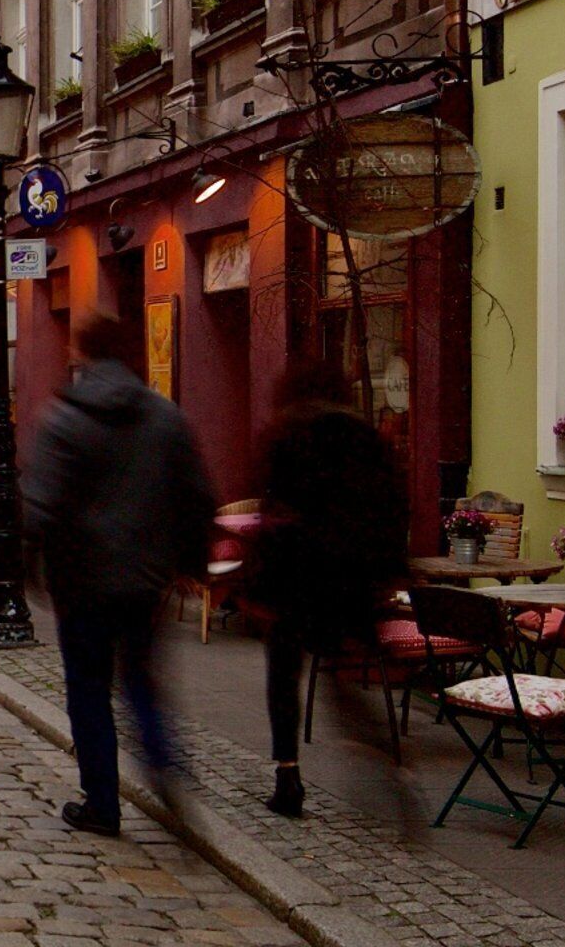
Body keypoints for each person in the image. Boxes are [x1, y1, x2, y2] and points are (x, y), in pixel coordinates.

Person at [23, 309, 214, 836]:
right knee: (143, 684)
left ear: (80, 354)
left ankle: (102, 804)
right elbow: (199, 495)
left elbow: (40, 502)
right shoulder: (164, 416)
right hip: (143, 581)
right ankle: (162, 767)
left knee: (88, 689)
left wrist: (31, 566)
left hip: (81, 584)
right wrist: (189, 564)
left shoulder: (65, 417)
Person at [245, 356, 414, 823]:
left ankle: (288, 776)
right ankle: (386, 760)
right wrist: (386, 573)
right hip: (350, 577)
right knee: (346, 678)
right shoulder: (365, 438)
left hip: (294, 579)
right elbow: (393, 506)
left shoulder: (285, 434)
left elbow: (269, 506)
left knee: (284, 678)